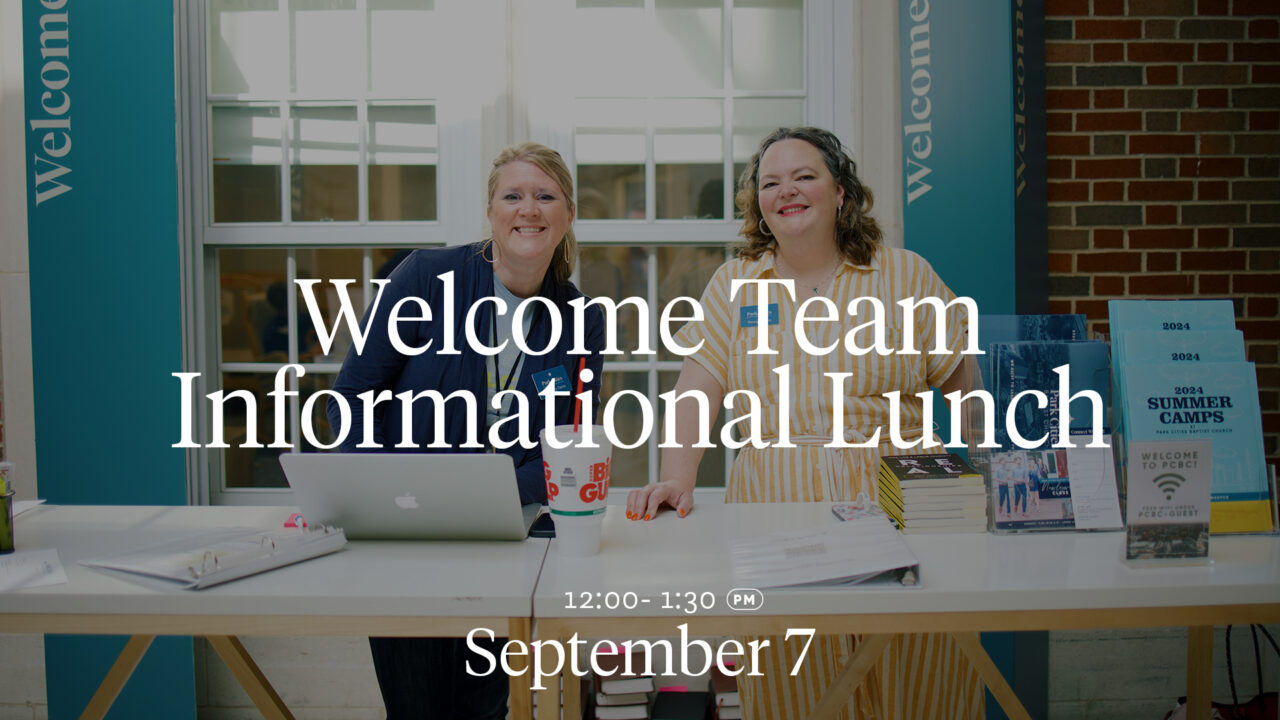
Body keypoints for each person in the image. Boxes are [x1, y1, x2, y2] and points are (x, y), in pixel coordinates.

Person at [625, 127, 983, 719]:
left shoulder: (906, 277)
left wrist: (995, 475)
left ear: (840, 192)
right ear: (759, 204)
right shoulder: (734, 286)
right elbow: (694, 395)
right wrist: (675, 481)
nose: (786, 191)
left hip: (902, 510)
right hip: (775, 517)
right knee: (796, 687)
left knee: (916, 681)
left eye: (804, 176)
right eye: (771, 183)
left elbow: (968, 390)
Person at [328, 142, 605, 719]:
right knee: (417, 709)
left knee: (484, 708)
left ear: (568, 215)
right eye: (513, 195)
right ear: (490, 211)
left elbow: (571, 446)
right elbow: (351, 400)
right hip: (409, 539)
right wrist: (389, 491)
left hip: (508, 543)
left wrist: (487, 494)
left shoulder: (581, 318)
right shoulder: (426, 277)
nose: (528, 209)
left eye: (545, 196)